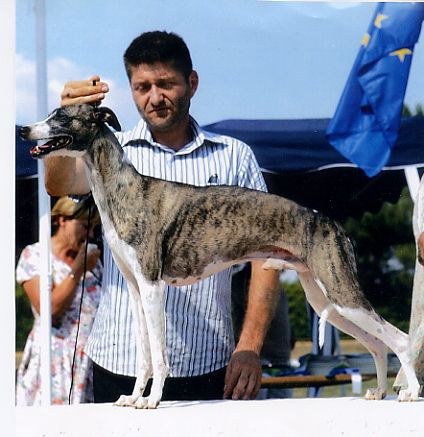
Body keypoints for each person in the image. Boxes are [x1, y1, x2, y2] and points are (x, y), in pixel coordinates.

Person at [43, 31, 280, 402]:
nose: (154, 97)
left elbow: (269, 256)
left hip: (210, 364)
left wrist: (249, 346)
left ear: (192, 82)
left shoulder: (235, 156)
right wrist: (65, 117)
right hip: (119, 364)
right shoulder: (108, 149)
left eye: (166, 84)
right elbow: (57, 184)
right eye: (142, 87)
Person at [16, 196, 102, 405]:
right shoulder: (35, 255)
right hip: (54, 359)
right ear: (62, 219)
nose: (89, 234)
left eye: (93, 229)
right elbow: (50, 309)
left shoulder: (94, 263)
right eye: (84, 226)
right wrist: (77, 270)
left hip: (87, 362)